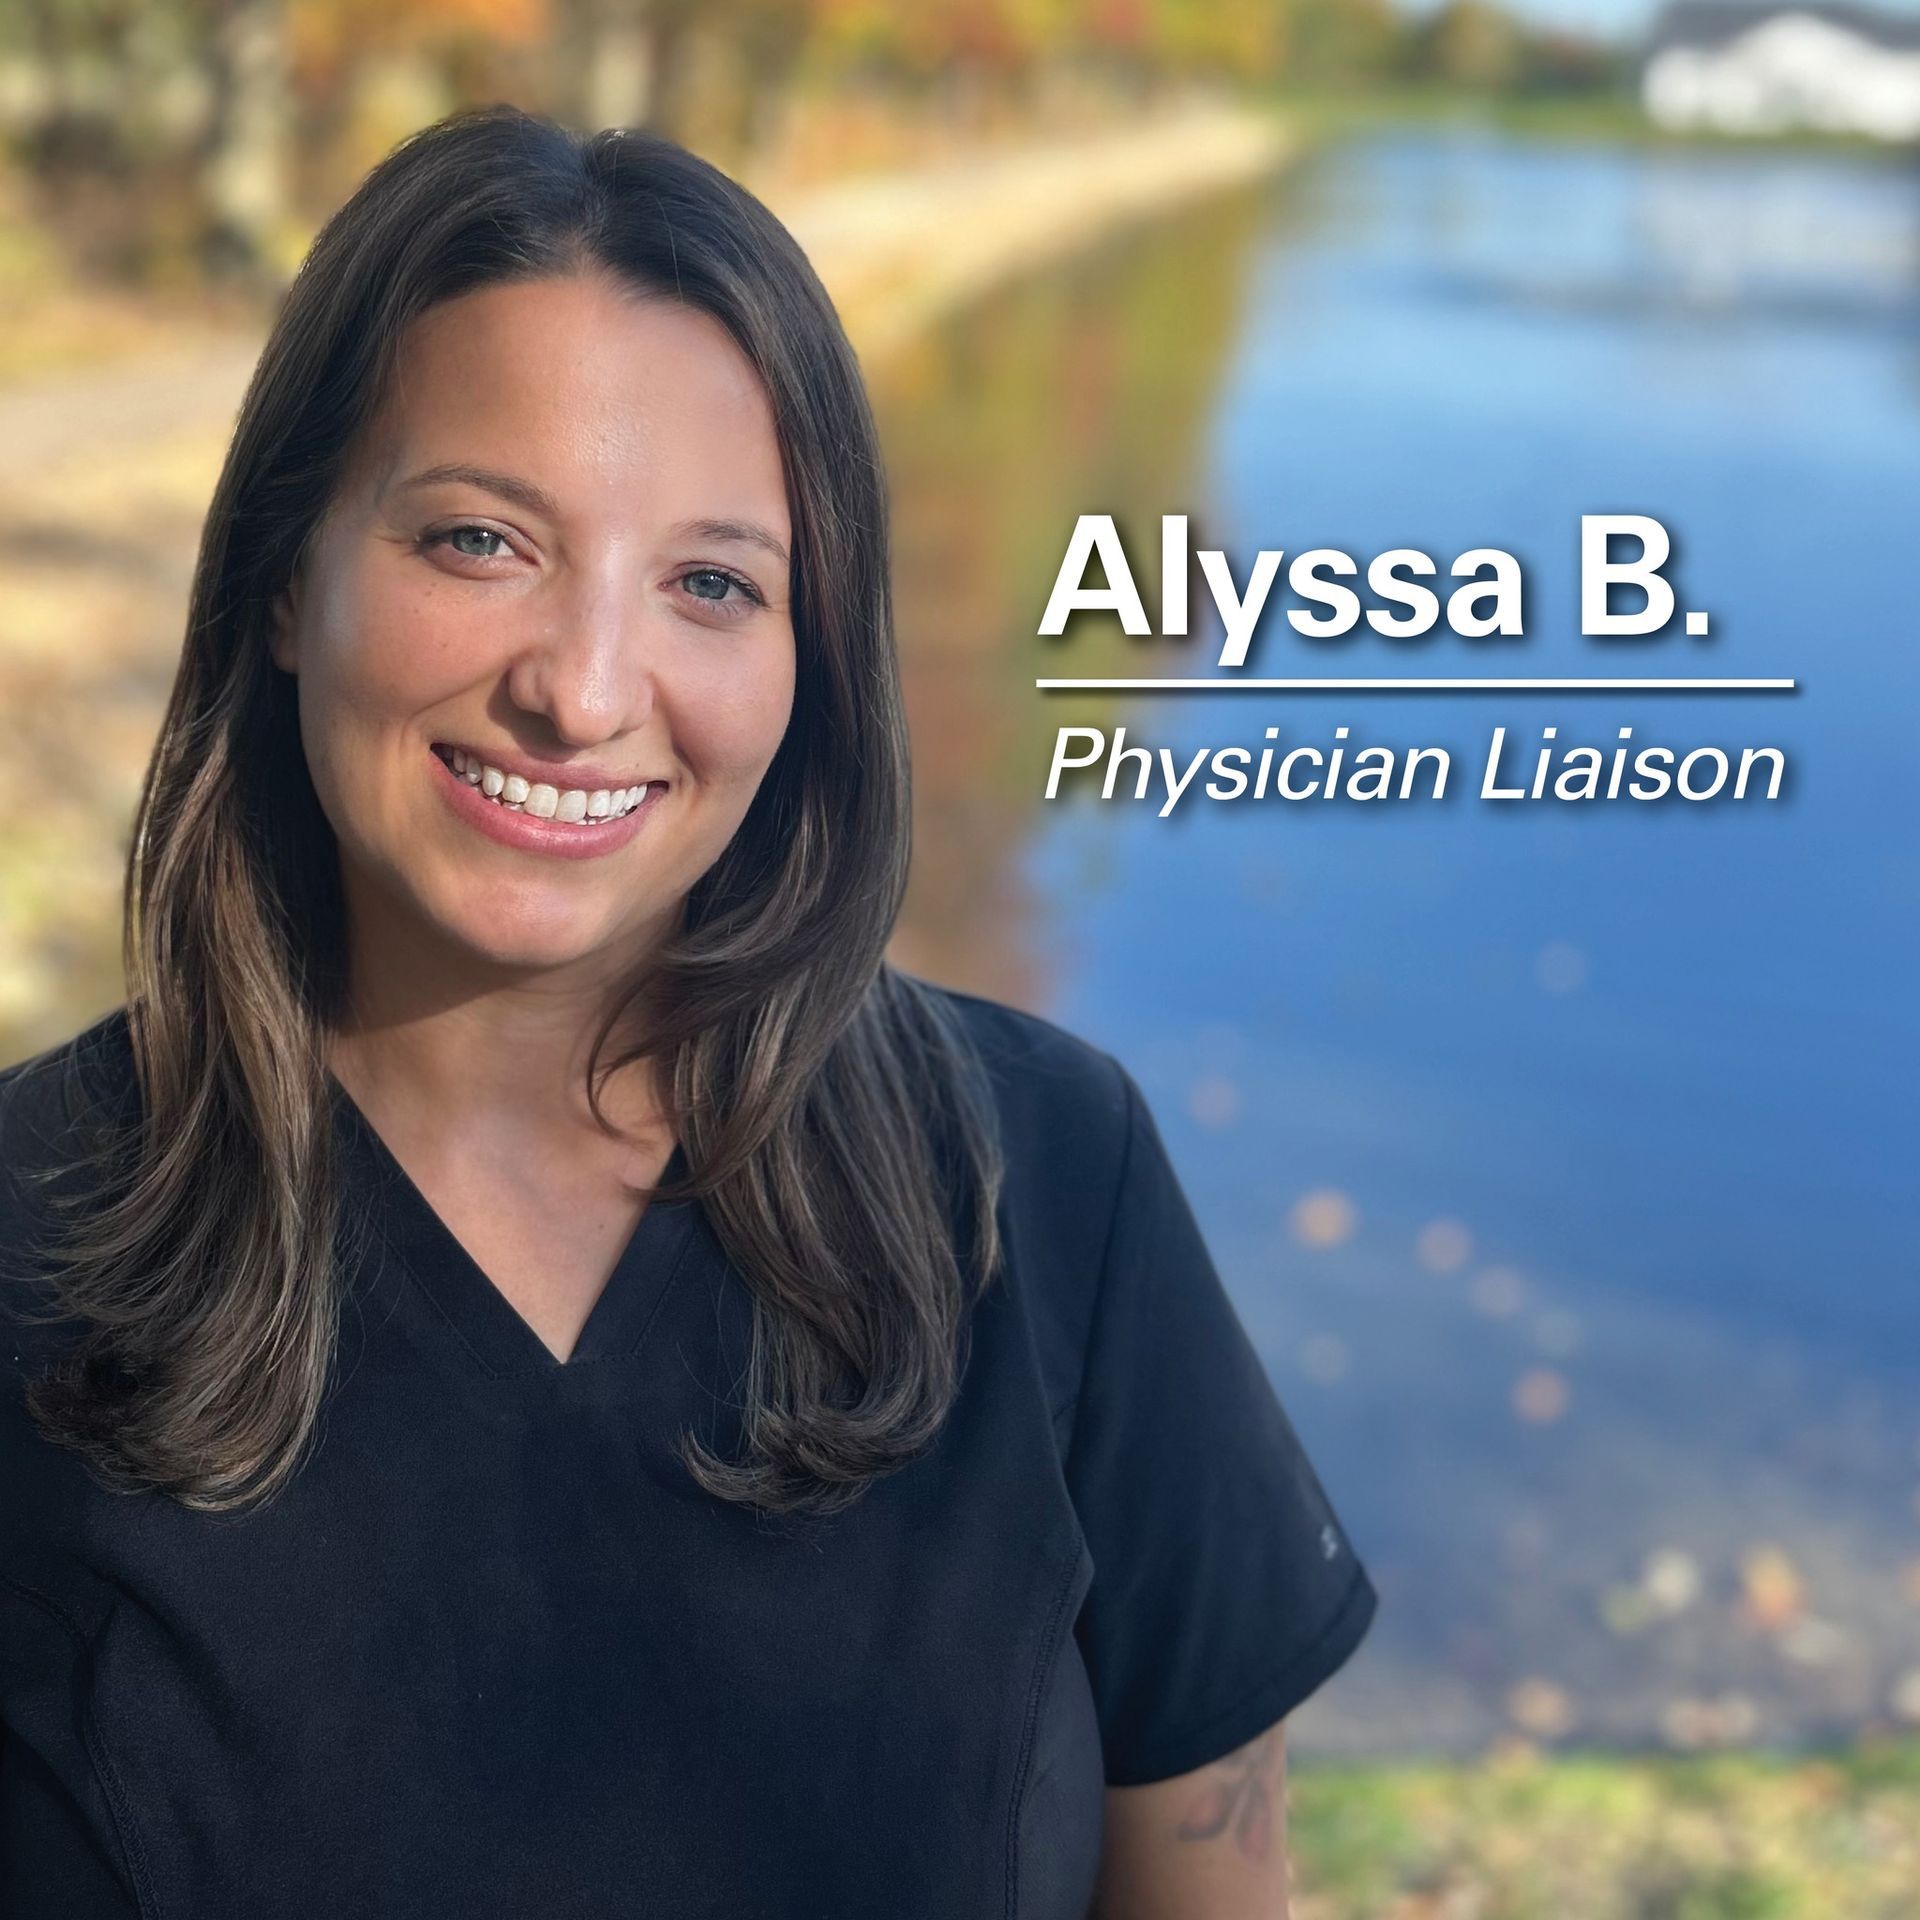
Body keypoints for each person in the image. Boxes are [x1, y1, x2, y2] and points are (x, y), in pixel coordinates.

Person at [0, 105, 1376, 1920]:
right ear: (282, 577)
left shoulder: (1054, 1187)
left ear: (811, 666)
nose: (581, 691)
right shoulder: (28, 1226)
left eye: (713, 584)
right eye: (480, 540)